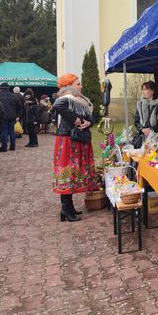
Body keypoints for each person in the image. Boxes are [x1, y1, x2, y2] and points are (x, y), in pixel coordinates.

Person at [52, 73, 98, 222]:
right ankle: (65, 208)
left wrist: (89, 122)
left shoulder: (80, 100)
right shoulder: (65, 98)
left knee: (73, 172)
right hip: (68, 139)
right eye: (78, 84)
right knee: (68, 172)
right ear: (68, 85)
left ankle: (68, 207)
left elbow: (91, 116)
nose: (81, 86)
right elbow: (57, 105)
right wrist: (76, 120)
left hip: (77, 139)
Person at [134, 80, 158, 146]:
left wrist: (152, 130)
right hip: (145, 138)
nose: (143, 92)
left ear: (152, 91)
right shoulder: (140, 104)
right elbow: (136, 121)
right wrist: (142, 129)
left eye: (145, 89)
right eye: (142, 90)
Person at [0, 82, 23, 152]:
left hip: (2, 116)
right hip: (12, 116)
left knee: (3, 132)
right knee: (12, 131)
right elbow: (20, 108)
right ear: (9, 88)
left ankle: (4, 147)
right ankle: (12, 146)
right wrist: (18, 116)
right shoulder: (15, 96)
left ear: (1, 88)